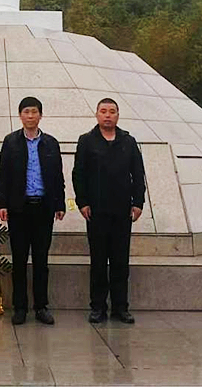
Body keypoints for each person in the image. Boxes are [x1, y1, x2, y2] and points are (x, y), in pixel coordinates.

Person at [72, 97, 145, 324]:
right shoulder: (87, 141)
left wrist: (138, 202)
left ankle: (121, 307)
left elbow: (138, 174)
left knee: (120, 261)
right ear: (96, 115)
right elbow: (79, 174)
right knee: (98, 261)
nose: (107, 115)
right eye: (103, 111)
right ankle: (97, 307)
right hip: (96, 212)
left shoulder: (128, 141)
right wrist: (82, 202)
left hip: (122, 211)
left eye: (112, 111)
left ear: (117, 116)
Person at [0, 96, 66, 326]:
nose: (30, 116)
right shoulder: (11, 142)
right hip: (19, 209)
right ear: (20, 115)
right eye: (26, 112)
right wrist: (3, 204)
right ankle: (20, 307)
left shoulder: (51, 143)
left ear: (40, 115)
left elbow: (58, 176)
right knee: (18, 259)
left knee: (41, 259)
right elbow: (3, 175)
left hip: (43, 208)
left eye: (34, 112)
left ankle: (41, 306)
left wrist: (60, 203)